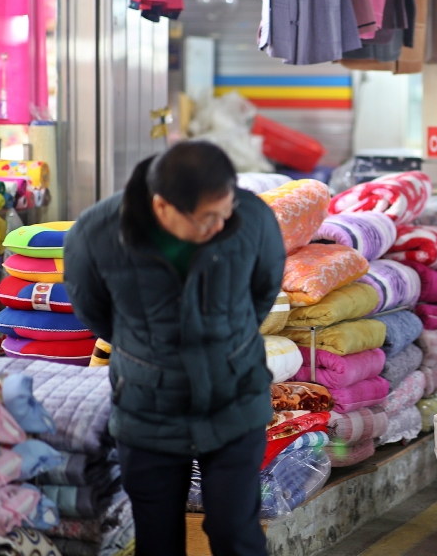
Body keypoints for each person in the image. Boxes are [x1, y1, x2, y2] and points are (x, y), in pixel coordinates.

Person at [64, 142, 286, 556]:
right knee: (157, 537)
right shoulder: (96, 234)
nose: (222, 225)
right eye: (208, 218)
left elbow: (264, 290)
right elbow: (92, 309)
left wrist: (224, 346)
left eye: (226, 210)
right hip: (148, 407)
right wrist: (148, 353)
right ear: (163, 207)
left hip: (234, 397)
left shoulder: (251, 218)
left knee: (235, 531)